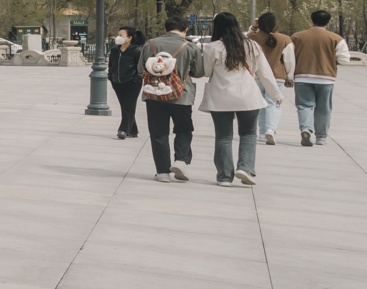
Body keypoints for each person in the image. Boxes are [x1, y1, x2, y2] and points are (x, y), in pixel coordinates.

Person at [197, 11, 281, 186]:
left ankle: (224, 177)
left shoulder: (212, 47)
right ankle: (245, 168)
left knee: (223, 137)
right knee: (249, 134)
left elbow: (205, 72)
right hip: (248, 97)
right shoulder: (252, 46)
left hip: (220, 97)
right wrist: (276, 95)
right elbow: (264, 73)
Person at [141, 15, 206, 182]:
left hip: (154, 94)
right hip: (181, 96)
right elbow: (199, 72)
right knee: (184, 129)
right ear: (185, 30)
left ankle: (162, 172)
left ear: (165, 29)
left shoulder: (150, 44)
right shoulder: (190, 47)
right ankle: (181, 160)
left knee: (158, 132)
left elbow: (140, 69)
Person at [287, 9, 350, 146]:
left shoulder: (296, 37)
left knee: (304, 105)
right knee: (324, 108)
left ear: (311, 20)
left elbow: (289, 58)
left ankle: (306, 129)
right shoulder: (336, 38)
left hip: (302, 77)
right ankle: (321, 137)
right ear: (329, 22)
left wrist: (289, 76)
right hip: (326, 78)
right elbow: (345, 59)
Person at [249, 12, 290, 146]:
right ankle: (271, 129)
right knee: (273, 104)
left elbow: (245, 39)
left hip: (256, 76)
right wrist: (289, 76)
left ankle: (261, 133)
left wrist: (254, 28)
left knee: (260, 104)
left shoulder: (252, 37)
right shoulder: (284, 39)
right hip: (277, 77)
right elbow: (289, 60)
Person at [109, 25, 145, 139]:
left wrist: (137, 77)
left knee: (128, 106)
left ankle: (123, 129)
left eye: (121, 35)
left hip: (132, 82)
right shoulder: (114, 50)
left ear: (129, 38)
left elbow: (142, 66)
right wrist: (110, 76)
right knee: (124, 106)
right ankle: (133, 130)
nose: (118, 37)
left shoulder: (137, 50)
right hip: (117, 82)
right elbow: (111, 65)